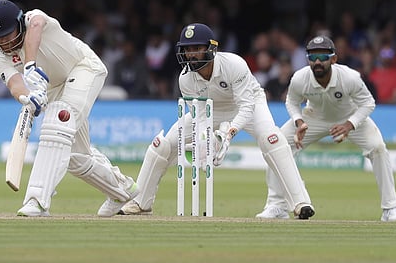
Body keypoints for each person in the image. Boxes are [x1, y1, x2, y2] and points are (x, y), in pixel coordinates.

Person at [119, 23, 315, 219]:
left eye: (197, 48)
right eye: (187, 50)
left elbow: (246, 106)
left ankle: (300, 203)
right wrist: (208, 140)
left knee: (273, 139)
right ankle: (141, 202)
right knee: (163, 145)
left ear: (211, 48)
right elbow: (200, 116)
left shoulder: (234, 64)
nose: (191, 54)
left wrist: (228, 134)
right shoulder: (185, 79)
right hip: (211, 109)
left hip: (249, 104)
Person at [0, 0, 138, 217]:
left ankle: (37, 200)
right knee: (75, 157)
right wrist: (28, 98)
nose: (5, 43)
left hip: (84, 68)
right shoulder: (0, 60)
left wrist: (30, 66)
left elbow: (36, 27)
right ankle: (123, 189)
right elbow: (15, 84)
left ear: (20, 23)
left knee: (57, 121)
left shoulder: (34, 19)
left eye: (8, 35)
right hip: (54, 89)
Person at [258, 35, 396, 222]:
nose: (317, 61)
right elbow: (292, 101)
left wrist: (349, 124)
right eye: (312, 57)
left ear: (334, 59)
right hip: (313, 117)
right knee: (276, 145)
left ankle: (390, 209)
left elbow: (368, 103)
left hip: (349, 116)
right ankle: (276, 206)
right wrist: (298, 121)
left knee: (378, 148)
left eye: (323, 56)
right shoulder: (300, 78)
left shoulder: (350, 77)